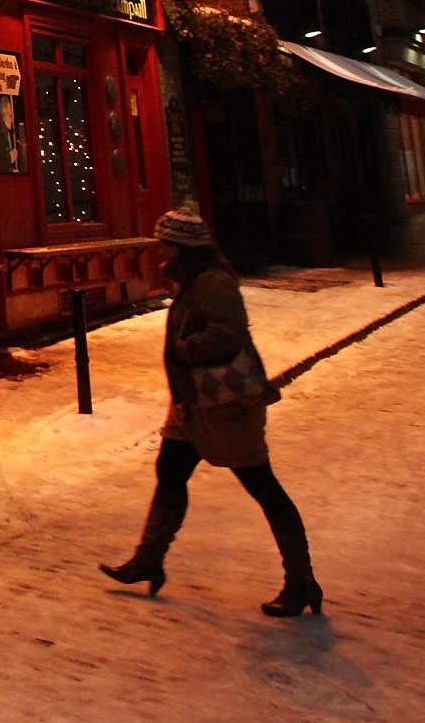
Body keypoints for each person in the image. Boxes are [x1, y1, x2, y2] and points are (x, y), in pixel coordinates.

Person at [100, 206, 322, 618]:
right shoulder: (195, 280)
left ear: (184, 247)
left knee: (263, 486)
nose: (161, 251)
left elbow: (227, 333)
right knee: (170, 472)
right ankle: (148, 558)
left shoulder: (213, 283)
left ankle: (301, 581)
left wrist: (182, 350)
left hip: (224, 405)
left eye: (167, 244)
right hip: (193, 402)